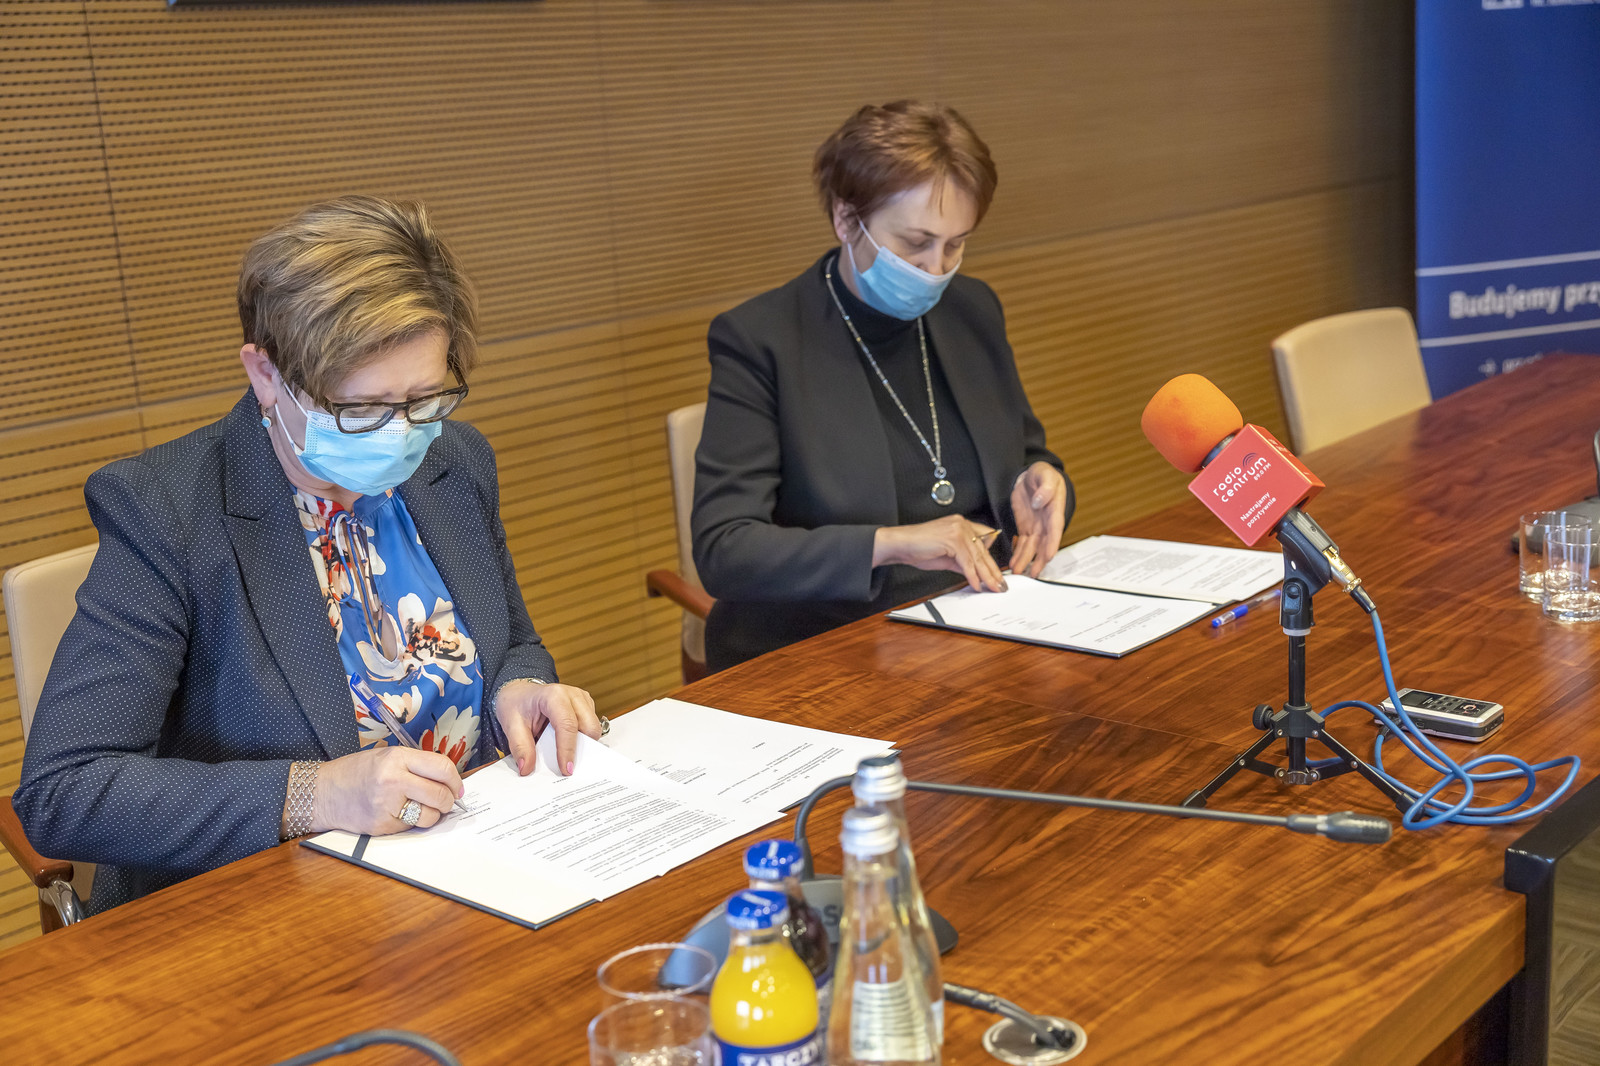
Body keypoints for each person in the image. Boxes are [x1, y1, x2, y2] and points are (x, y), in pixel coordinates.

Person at [15, 196, 602, 914]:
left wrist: (520, 687)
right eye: (361, 410)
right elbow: (64, 791)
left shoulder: (455, 464)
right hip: (263, 910)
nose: (401, 433)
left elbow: (511, 644)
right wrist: (313, 794)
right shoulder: (167, 510)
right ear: (265, 375)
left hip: (467, 875)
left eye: (424, 399)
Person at [692, 101, 1073, 672]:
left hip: (985, 626)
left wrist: (1042, 483)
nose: (936, 268)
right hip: (828, 649)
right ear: (847, 220)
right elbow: (725, 549)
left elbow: (1027, 456)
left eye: (956, 243)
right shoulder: (761, 340)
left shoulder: (972, 309)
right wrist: (893, 543)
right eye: (915, 242)